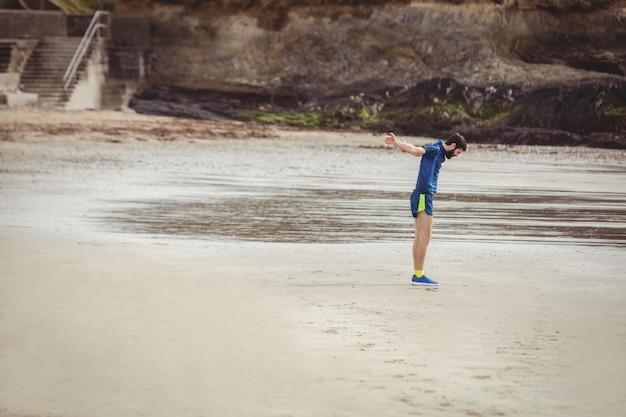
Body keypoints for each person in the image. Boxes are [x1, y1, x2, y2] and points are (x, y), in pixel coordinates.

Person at [384, 132, 467, 286]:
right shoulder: (435, 150)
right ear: (453, 146)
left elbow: (416, 149)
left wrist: (401, 145)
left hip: (421, 194)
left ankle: (417, 274)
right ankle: (419, 275)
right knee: (425, 237)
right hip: (423, 194)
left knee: (420, 237)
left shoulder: (437, 150)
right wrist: (396, 143)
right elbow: (417, 151)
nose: (457, 155)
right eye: (458, 152)